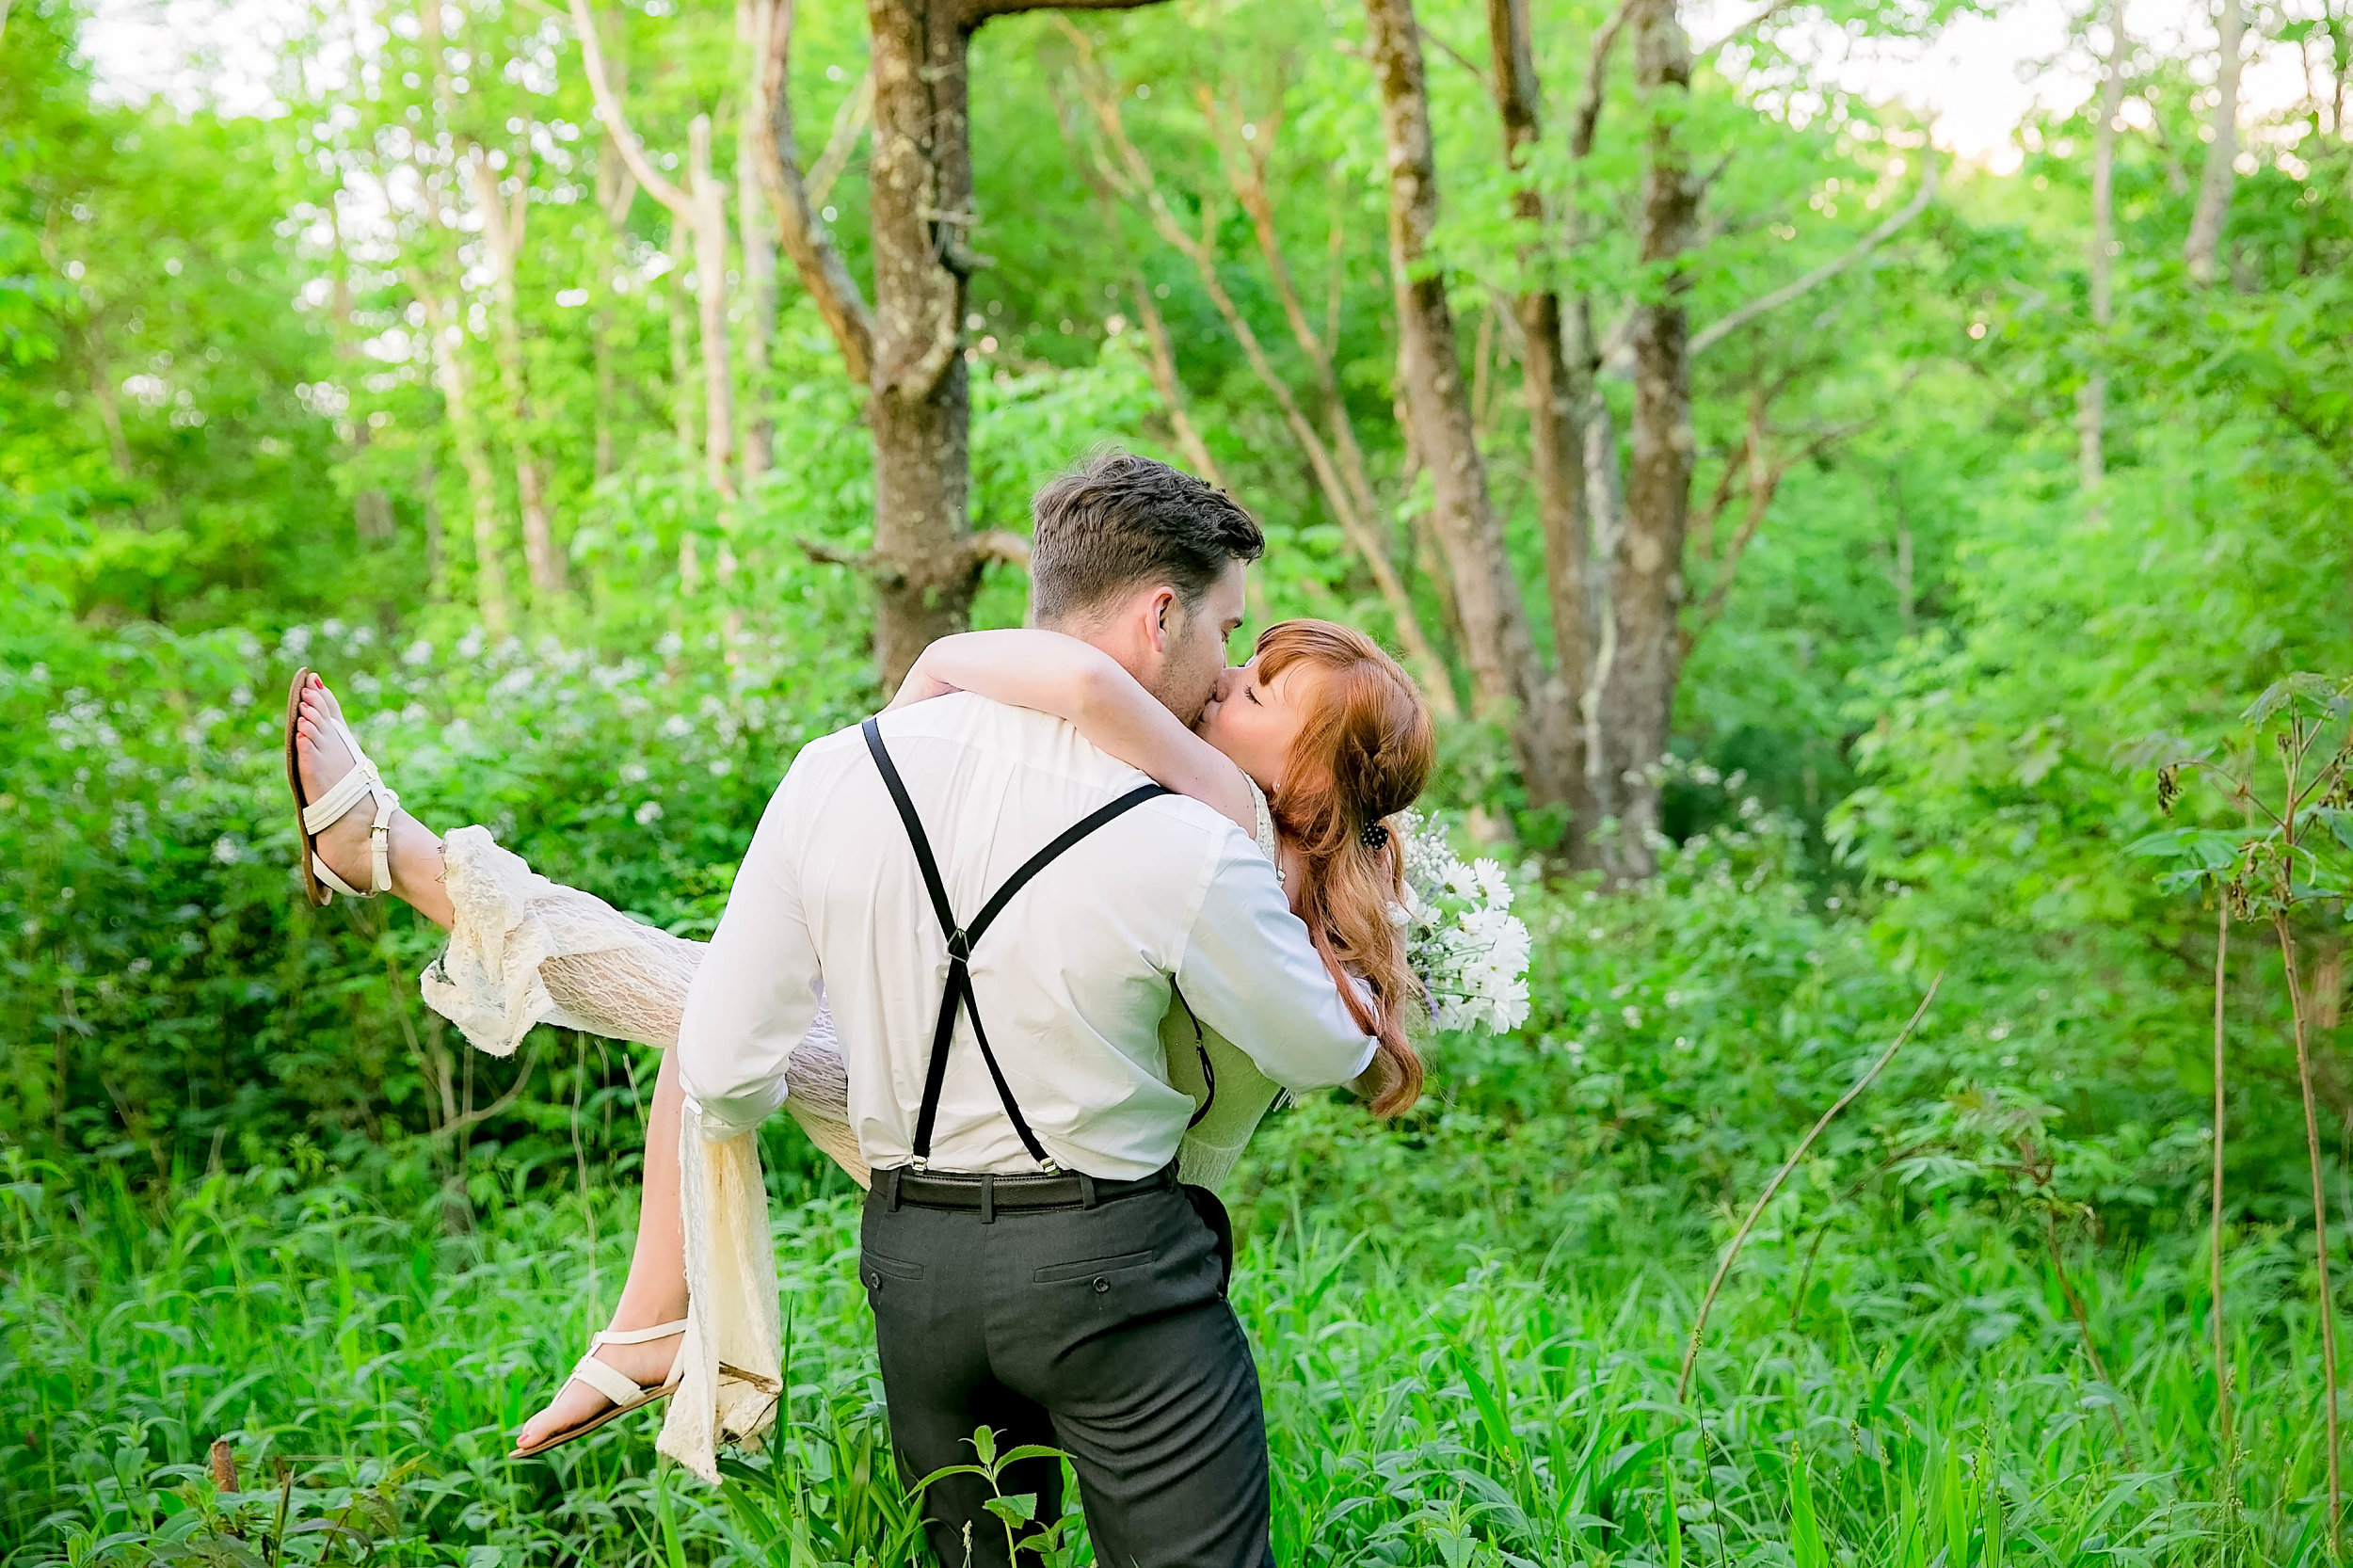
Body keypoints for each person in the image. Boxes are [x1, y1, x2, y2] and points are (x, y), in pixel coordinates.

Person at [286, 452, 1436, 1561]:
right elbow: (1318, 1048)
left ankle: (397, 858)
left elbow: (727, 1064)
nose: (1229, 672)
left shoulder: (843, 767)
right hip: (1116, 1261)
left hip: (915, 1264)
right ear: (1158, 616)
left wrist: (934, 666)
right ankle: (398, 861)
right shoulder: (1197, 828)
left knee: (701, 1004)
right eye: (1230, 637)